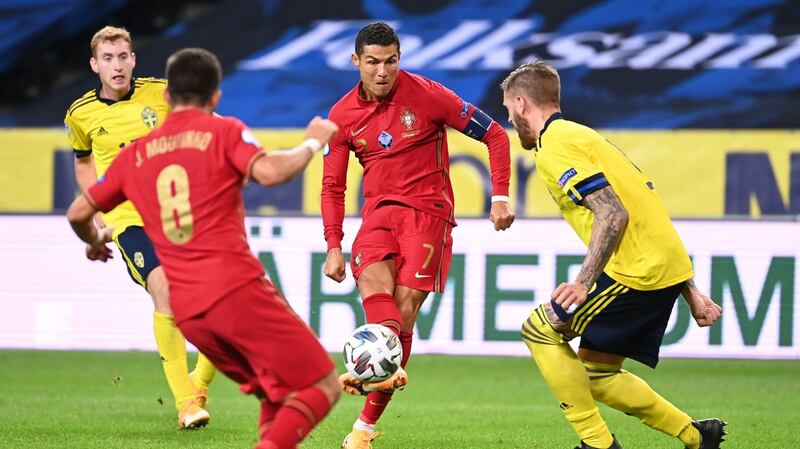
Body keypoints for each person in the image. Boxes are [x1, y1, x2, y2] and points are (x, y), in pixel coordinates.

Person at [66, 47, 340, 449]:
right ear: (215, 98)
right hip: (235, 290)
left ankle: (193, 401)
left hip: (192, 314)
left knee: (275, 394)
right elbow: (271, 171)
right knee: (322, 386)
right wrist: (313, 143)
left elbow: (77, 213)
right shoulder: (224, 130)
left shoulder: (134, 156)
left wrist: (94, 241)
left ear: (165, 97)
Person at [500, 61, 727, 449]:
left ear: (521, 104)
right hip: (661, 265)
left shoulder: (556, 146)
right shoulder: (581, 136)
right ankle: (696, 435)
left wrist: (583, 283)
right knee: (596, 374)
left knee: (539, 330)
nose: (509, 117)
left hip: (636, 272)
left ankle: (599, 445)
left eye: (507, 109)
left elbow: (614, 212)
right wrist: (690, 290)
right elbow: (645, 206)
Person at [322, 22, 516, 449]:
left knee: (402, 315)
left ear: (399, 58)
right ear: (356, 61)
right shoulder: (340, 116)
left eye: (391, 61)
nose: (382, 71)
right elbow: (332, 186)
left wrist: (499, 195)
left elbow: (495, 134)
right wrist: (333, 245)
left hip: (429, 217)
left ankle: (363, 428)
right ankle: (383, 368)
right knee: (375, 291)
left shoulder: (427, 94)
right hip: (377, 217)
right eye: (372, 62)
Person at [63, 26, 217, 428]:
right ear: (95, 65)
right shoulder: (81, 113)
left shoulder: (162, 93)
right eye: (108, 59)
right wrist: (98, 201)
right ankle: (186, 404)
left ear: (133, 59)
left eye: (123, 56)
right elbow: (83, 160)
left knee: (218, 305)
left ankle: (198, 384)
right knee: (163, 286)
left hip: (178, 211)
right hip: (129, 217)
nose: (117, 65)